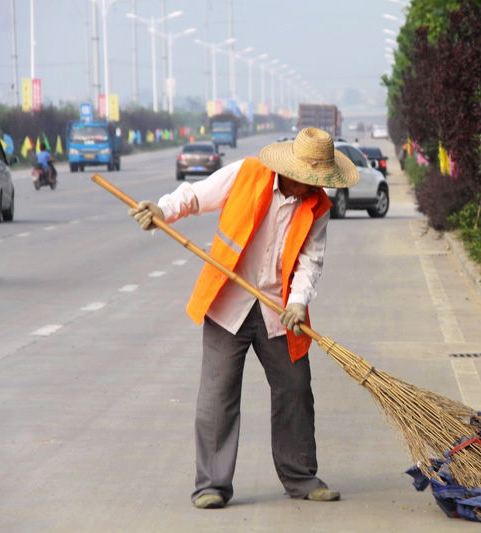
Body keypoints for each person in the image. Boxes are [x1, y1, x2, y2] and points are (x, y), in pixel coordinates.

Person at [128, 127, 359, 509]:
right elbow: (195, 196)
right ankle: (211, 485)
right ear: (291, 168)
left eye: (318, 181)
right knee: (218, 396)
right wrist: (161, 210)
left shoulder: (317, 205)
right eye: (308, 179)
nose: (313, 187)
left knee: (296, 388)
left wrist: (299, 302)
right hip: (228, 301)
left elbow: (310, 260)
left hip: (278, 310)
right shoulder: (248, 173)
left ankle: (301, 477)